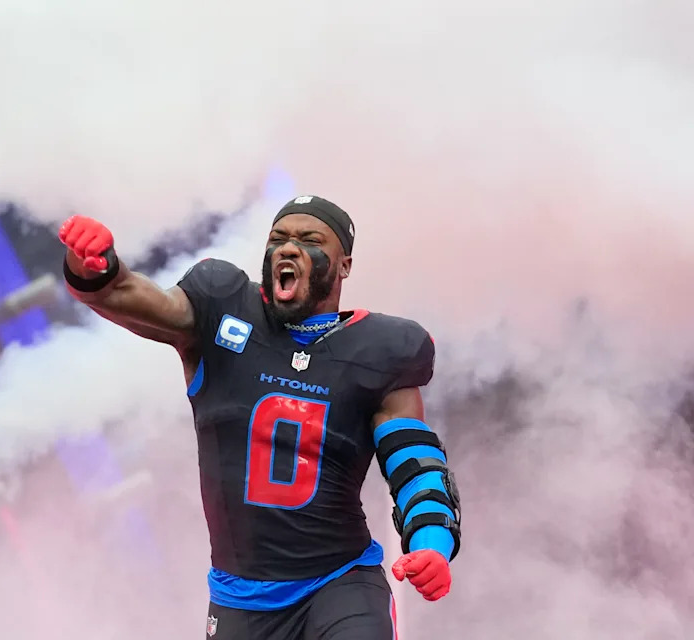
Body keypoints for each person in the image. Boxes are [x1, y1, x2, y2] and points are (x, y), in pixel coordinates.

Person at [58, 195, 462, 639]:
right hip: (239, 598)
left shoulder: (382, 349)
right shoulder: (220, 307)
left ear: (344, 265)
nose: (289, 248)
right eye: (279, 238)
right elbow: (122, 292)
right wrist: (94, 266)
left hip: (338, 582)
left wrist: (432, 546)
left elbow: (415, 464)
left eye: (310, 240)